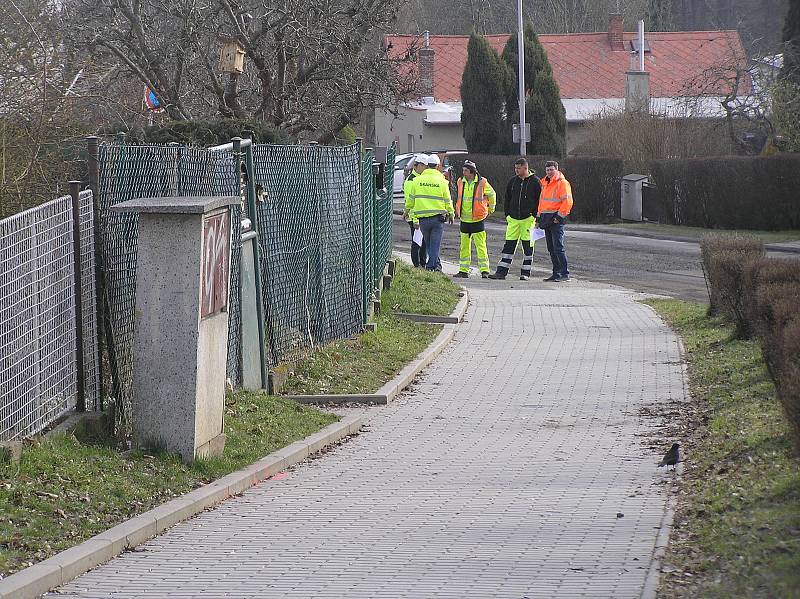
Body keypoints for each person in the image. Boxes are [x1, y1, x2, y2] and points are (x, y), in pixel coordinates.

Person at [488, 157, 541, 281]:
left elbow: (540, 201)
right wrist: (507, 214)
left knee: (528, 247)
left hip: (528, 220)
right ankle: (501, 272)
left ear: (525, 168)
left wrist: (535, 216)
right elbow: (507, 198)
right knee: (509, 246)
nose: (516, 170)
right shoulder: (513, 181)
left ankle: (525, 273)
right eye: (515, 168)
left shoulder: (535, 182)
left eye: (518, 168)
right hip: (513, 219)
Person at [408, 154, 454, 271]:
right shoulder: (442, 181)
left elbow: (411, 199)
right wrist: (451, 213)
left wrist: (406, 211)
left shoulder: (417, 181)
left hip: (423, 219)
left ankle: (435, 266)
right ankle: (431, 267)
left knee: (429, 244)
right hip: (437, 218)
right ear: (438, 166)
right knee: (435, 244)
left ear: (427, 165)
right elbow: (447, 200)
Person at [453, 160, 496, 278]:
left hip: (477, 219)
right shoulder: (460, 181)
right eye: (463, 170)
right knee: (464, 247)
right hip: (464, 219)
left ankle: (484, 270)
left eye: (465, 170)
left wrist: (491, 208)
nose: (463, 172)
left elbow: (492, 194)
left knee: (480, 246)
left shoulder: (482, 182)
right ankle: (463, 270)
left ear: (472, 171)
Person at [537, 160, 573, 282]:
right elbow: (541, 203)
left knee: (558, 247)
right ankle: (556, 273)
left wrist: (559, 217)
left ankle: (564, 273)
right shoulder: (544, 183)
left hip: (556, 219)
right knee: (551, 248)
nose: (549, 172)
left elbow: (567, 202)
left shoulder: (562, 183)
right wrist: (539, 217)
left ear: (557, 169)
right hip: (546, 219)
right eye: (547, 170)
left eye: (551, 169)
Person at [402, 154, 429, 268]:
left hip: (420, 216)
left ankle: (422, 263)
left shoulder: (419, 179)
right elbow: (410, 201)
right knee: (417, 242)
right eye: (424, 166)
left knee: (423, 241)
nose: (426, 169)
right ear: (418, 166)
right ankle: (417, 264)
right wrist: (415, 219)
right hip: (415, 217)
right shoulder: (412, 180)